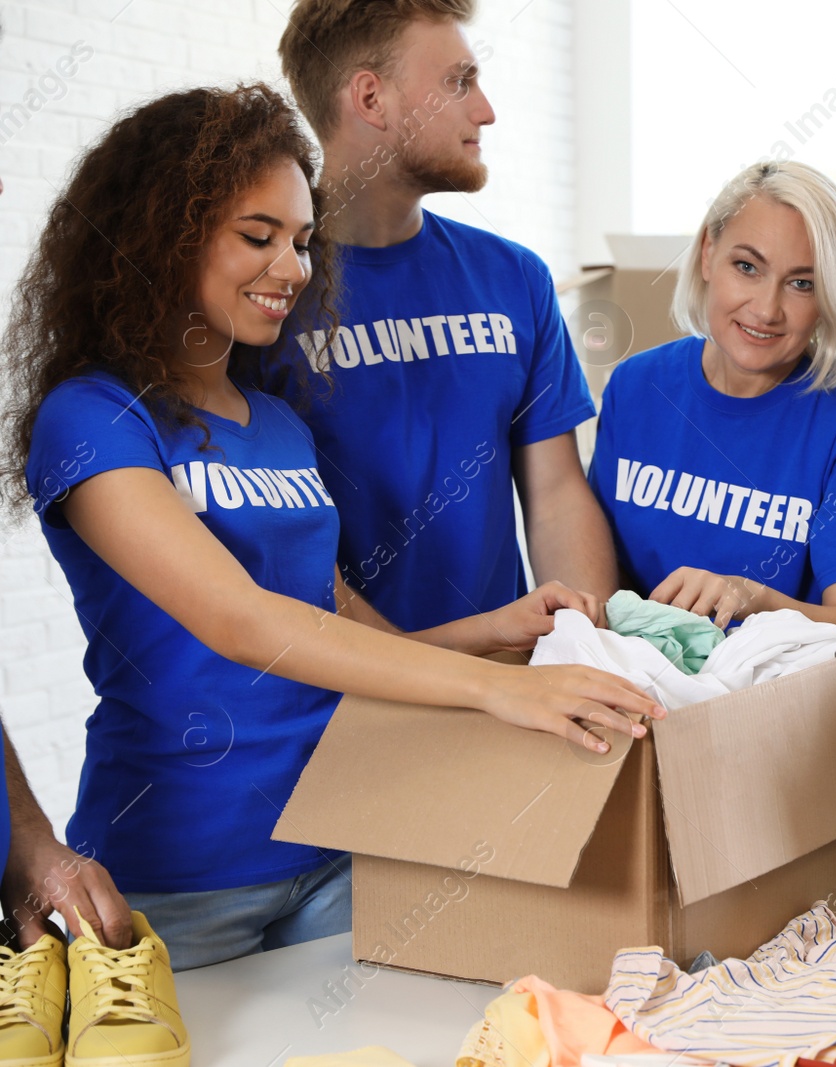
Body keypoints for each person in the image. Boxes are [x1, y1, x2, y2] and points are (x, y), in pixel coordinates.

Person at [0, 83, 662, 970]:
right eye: (258, 236)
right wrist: (496, 689)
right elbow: (244, 621)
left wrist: (494, 635)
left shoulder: (276, 421)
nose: (293, 269)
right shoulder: (93, 420)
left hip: (345, 840)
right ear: (163, 233)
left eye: (304, 241)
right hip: (182, 873)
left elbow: (341, 624)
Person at [270, 0, 613, 633]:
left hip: (507, 689)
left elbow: (557, 494)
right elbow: (269, 548)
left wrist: (590, 648)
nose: (485, 110)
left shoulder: (514, 278)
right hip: (340, 701)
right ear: (371, 99)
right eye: (458, 82)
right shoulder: (267, 296)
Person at [587, 161, 836, 661]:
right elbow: (600, 579)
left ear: (831, 297)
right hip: (631, 691)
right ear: (708, 254)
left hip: (773, 709)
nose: (766, 309)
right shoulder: (636, 387)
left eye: (802, 283)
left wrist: (754, 600)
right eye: (748, 267)